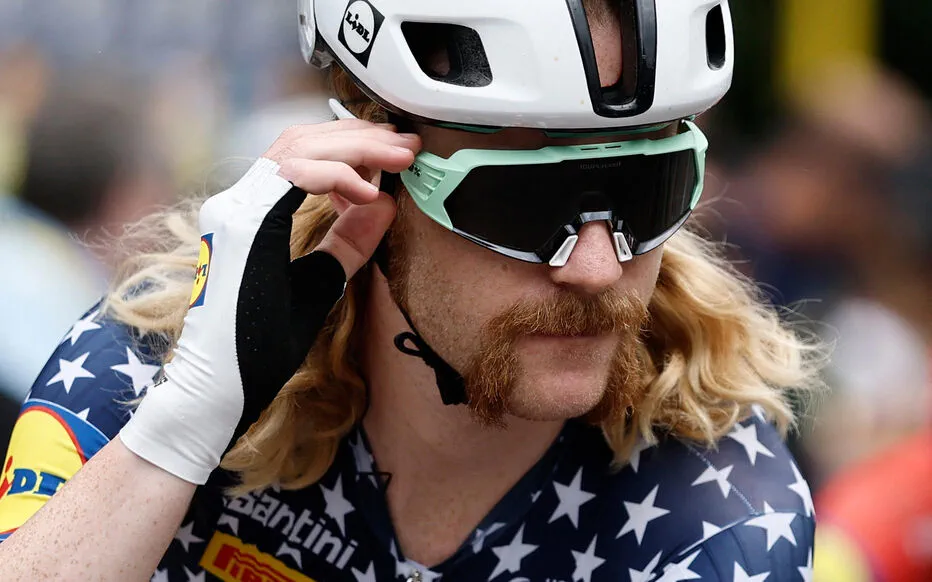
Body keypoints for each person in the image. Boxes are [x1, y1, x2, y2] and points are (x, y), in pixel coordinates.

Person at [0, 1, 821, 580]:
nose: (597, 269)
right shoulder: (151, 361)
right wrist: (178, 434)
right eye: (517, 200)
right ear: (368, 165)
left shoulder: (718, 515)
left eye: (649, 189)